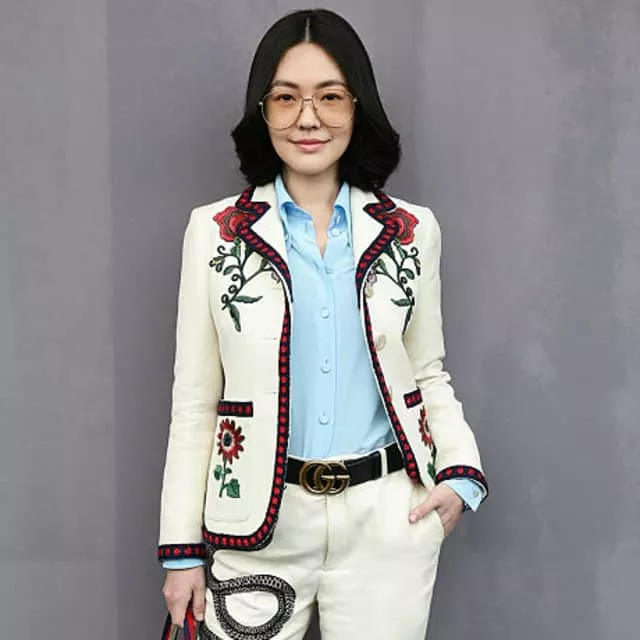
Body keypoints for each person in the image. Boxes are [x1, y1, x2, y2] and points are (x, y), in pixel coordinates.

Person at [158, 8, 488, 640]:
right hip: (258, 523)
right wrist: (180, 550)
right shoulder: (215, 231)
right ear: (263, 112)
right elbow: (195, 403)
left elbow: (427, 372)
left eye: (330, 97)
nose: (308, 118)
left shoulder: (412, 230)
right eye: (286, 98)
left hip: (388, 524)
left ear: (358, 107)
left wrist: (460, 472)